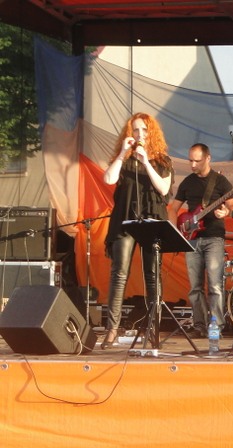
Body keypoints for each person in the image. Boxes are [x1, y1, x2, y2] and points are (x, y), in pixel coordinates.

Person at [101, 112, 174, 349]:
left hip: (152, 220)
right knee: (119, 273)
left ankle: (153, 330)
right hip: (126, 220)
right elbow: (108, 179)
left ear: (151, 133)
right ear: (129, 133)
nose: (140, 134)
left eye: (144, 130)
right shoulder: (124, 160)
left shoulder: (162, 161)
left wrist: (146, 162)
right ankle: (112, 329)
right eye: (135, 130)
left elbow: (163, 189)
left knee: (152, 276)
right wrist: (123, 153)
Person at [168, 143, 233, 338]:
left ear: (208, 158)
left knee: (215, 285)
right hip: (191, 239)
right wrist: (176, 232)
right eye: (190, 160)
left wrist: (226, 212)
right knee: (195, 287)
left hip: (214, 238)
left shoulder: (221, 181)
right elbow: (173, 209)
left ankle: (216, 326)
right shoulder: (187, 182)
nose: (192, 165)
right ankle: (199, 325)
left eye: (197, 161)